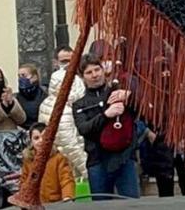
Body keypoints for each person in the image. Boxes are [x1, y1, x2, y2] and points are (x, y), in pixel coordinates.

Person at [73, 60, 142, 198]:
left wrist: (130, 96)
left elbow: (142, 113)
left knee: (132, 204)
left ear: (103, 70)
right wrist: (105, 115)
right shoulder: (79, 104)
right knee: (101, 205)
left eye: (97, 70)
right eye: (89, 72)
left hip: (124, 158)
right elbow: (84, 129)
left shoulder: (118, 93)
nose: (94, 75)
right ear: (82, 77)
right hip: (97, 160)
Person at [37, 67, 87, 181]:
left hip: (56, 165)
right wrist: (86, 170)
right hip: (71, 167)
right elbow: (70, 145)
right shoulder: (64, 110)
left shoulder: (48, 102)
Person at [20, 123, 75, 203]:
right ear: (31, 141)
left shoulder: (58, 158)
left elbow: (66, 180)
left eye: (44, 137)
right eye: (36, 138)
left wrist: (67, 197)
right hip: (36, 204)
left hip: (56, 204)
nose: (41, 141)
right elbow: (23, 182)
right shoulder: (28, 161)